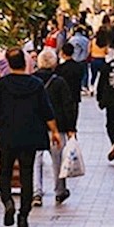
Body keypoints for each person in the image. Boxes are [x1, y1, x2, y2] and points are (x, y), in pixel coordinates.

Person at [0, 48, 61, 227]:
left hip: (7, 134)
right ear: (24, 62)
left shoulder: (1, 85)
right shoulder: (36, 84)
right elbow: (46, 110)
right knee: (26, 174)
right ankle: (23, 215)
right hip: (30, 135)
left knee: (4, 172)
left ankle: (7, 202)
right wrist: (54, 131)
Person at [32, 49, 76, 208]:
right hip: (57, 128)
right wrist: (71, 128)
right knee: (58, 160)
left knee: (36, 160)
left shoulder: (32, 80)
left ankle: (36, 192)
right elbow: (67, 106)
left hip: (36, 127)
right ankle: (60, 190)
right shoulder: (59, 82)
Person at [55, 43, 85, 128]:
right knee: (73, 122)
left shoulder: (59, 68)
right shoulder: (79, 67)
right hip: (75, 96)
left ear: (62, 53)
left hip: (62, 98)